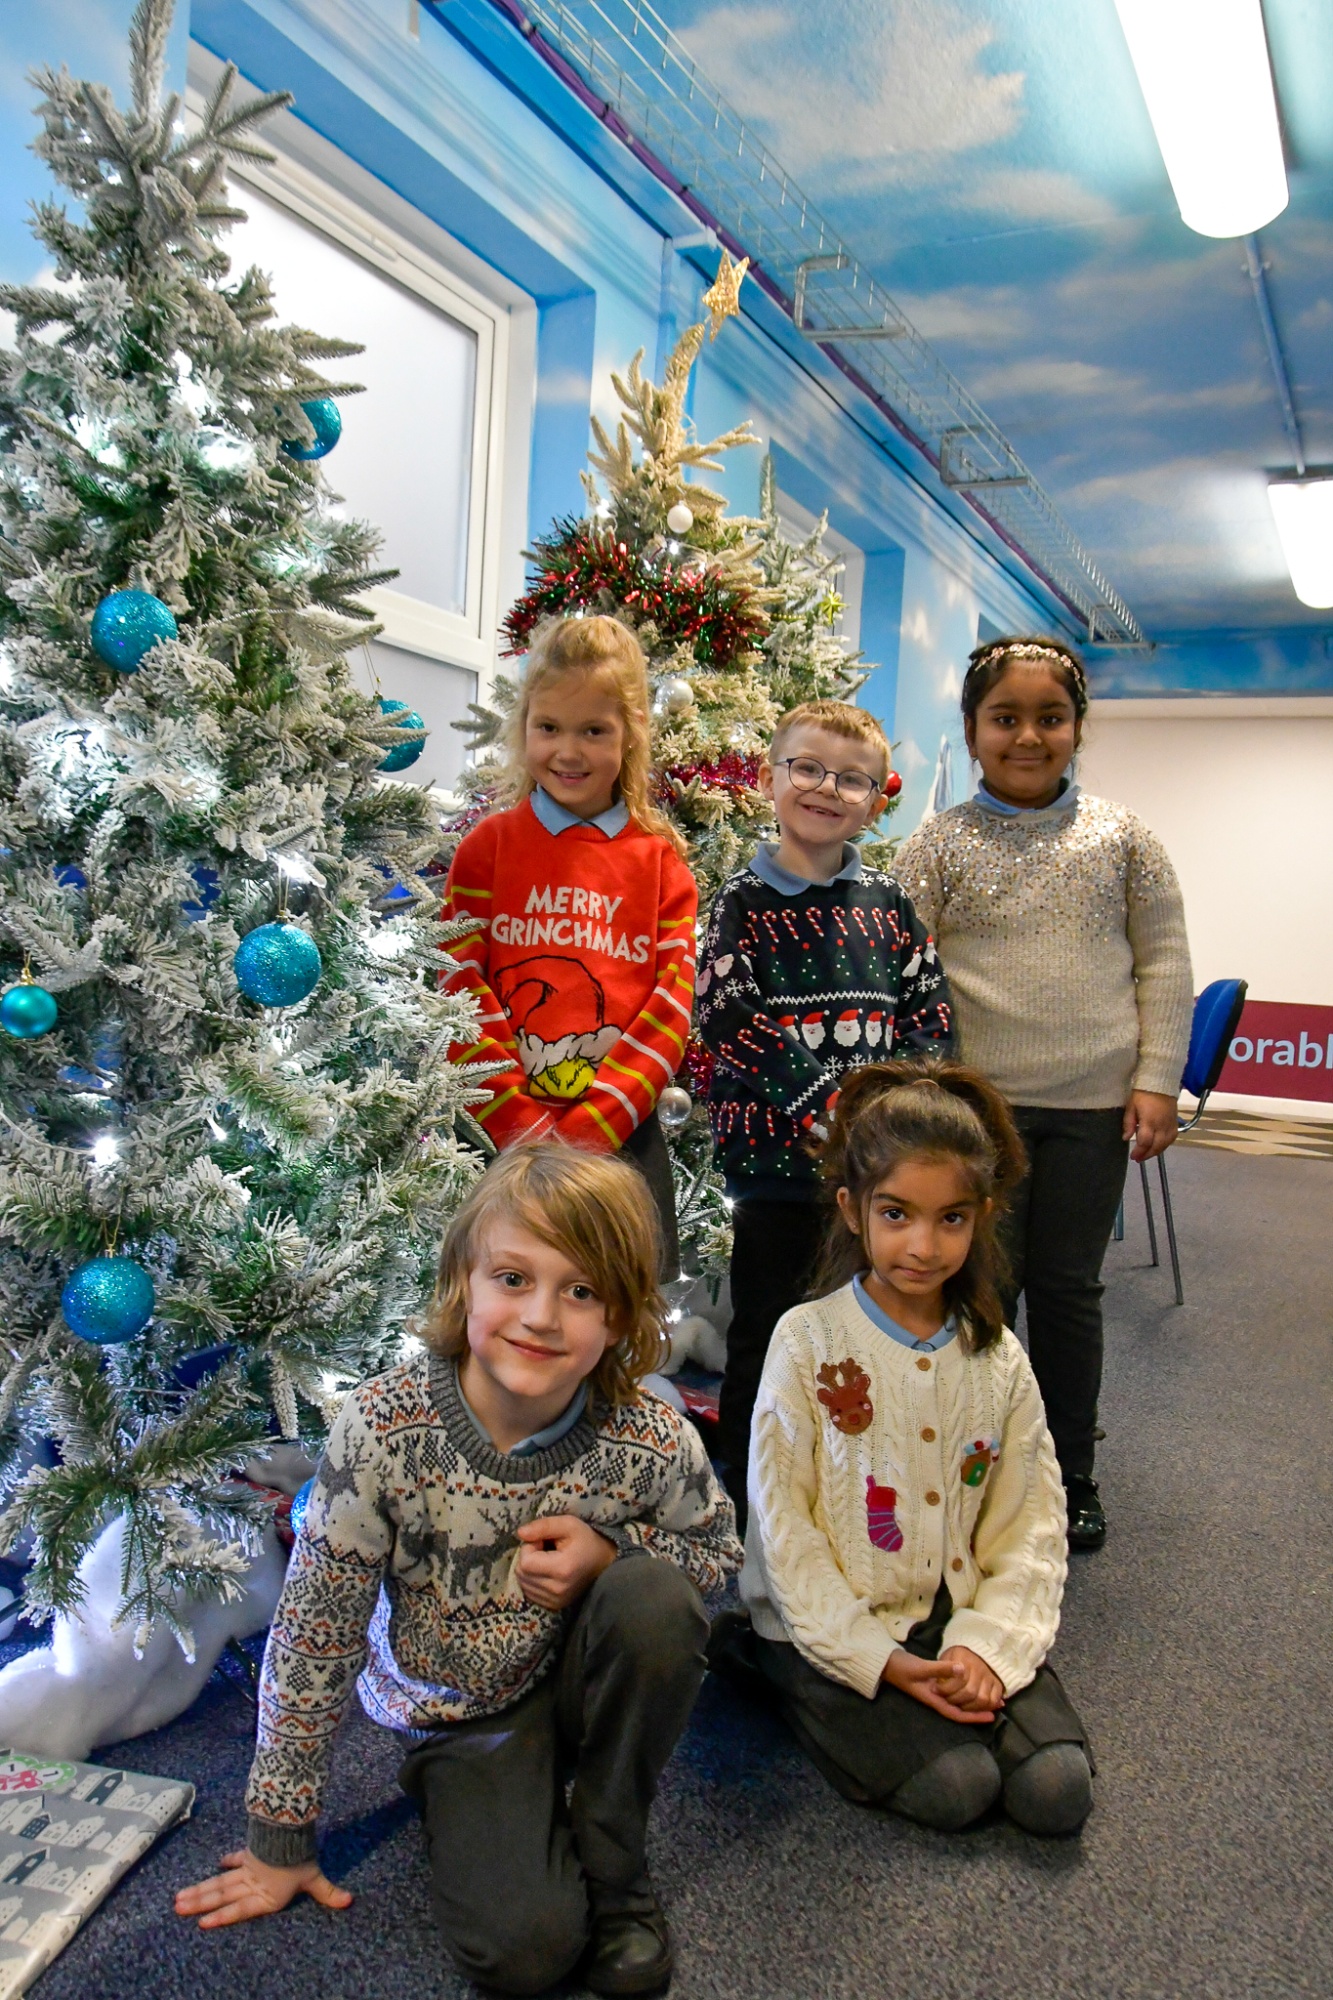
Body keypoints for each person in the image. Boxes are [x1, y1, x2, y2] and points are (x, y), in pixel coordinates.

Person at [174, 1145, 741, 1997]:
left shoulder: (651, 1438)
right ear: (464, 1284)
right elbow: (313, 1637)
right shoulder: (381, 1428)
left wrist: (612, 1555)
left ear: (621, 1318)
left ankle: (614, 1855)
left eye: (580, 1292)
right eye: (513, 1279)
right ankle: (475, 1791)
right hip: (460, 1714)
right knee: (523, 1956)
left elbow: (716, 1554)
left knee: (653, 1596)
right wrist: (279, 1839)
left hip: (587, 1685)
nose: (542, 1317)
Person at [713, 1061, 1093, 1836]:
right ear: (853, 1211)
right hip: (834, 1618)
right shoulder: (806, 1340)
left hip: (952, 1608)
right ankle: (766, 1665)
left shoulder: (997, 1356)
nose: (922, 1246)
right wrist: (874, 1659)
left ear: (981, 1215)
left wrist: (988, 1650)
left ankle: (949, 1675)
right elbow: (782, 1531)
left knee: (1056, 1791)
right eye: (896, 1214)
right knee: (957, 1788)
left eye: (950, 1219)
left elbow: (1029, 1523)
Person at [892, 637, 1193, 1549]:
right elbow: (902, 970)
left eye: (1049, 718)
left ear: (1076, 729)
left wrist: (1155, 1083)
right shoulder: (937, 844)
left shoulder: (1125, 840)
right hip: (973, 1118)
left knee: (1067, 1291)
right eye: (1005, 719)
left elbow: (1165, 963)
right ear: (973, 732)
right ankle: (974, 1466)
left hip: (1092, 1108)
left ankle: (1069, 1471)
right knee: (983, 1289)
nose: (1028, 736)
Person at [696, 699, 952, 1522]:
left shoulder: (888, 898)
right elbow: (729, 1018)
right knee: (766, 1333)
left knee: (861, 1335)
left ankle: (848, 1490)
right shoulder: (738, 900)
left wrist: (901, 1115)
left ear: (876, 799)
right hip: (776, 1174)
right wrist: (837, 1114)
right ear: (771, 779)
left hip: (874, 1176)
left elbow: (928, 1012)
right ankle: (744, 1498)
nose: (825, 788)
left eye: (851, 779)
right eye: (806, 768)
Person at [441, 614, 697, 1276]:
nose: (568, 750)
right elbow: (456, 988)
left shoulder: (660, 864)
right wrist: (521, 1126)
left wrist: (585, 1133)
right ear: (523, 725)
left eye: (593, 731)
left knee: (615, 1312)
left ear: (631, 736)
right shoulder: (487, 850)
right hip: (493, 1132)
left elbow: (670, 1006)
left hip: (618, 1137)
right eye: (548, 727)